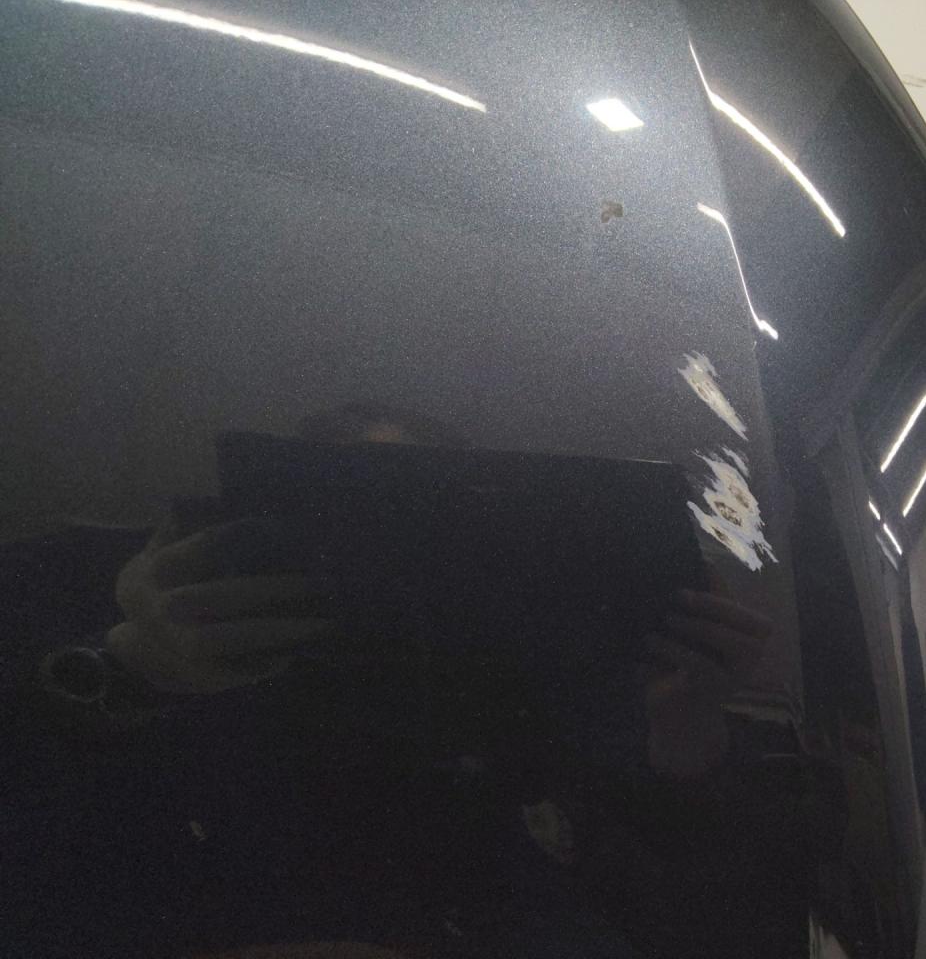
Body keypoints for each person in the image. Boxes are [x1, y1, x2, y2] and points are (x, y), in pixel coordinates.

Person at [5, 402, 777, 957]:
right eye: (356, 512)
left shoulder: (544, 683)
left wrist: (688, 736)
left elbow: (689, 916)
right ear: (259, 523)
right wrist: (127, 669)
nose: (393, 562)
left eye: (431, 530)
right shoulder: (171, 630)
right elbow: (46, 873)